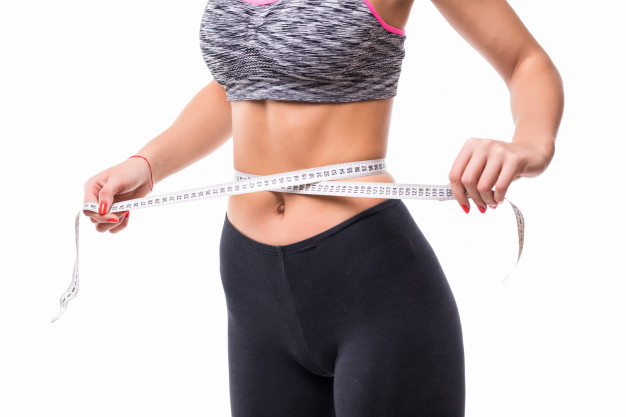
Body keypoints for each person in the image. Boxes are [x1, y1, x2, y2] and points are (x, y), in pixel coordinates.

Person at [82, 0, 563, 415]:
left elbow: (526, 61)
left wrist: (529, 144)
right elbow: (239, 82)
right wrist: (147, 164)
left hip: (368, 280)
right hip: (250, 281)